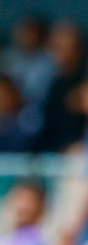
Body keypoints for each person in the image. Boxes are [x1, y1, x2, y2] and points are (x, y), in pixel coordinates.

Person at [37, 20, 86, 153]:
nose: (59, 52)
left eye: (66, 46)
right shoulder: (57, 84)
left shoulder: (83, 77)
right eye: (56, 47)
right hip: (56, 153)